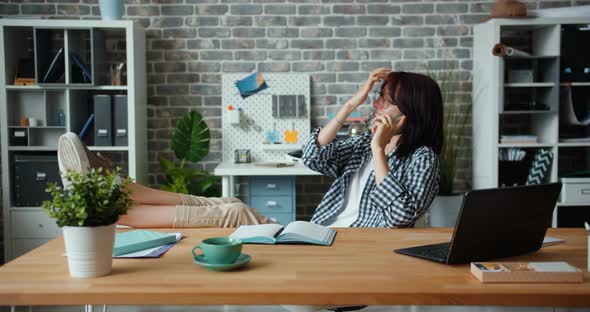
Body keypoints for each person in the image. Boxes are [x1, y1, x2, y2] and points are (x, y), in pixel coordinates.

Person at [302, 67, 443, 228]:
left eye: (387, 101)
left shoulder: (423, 159)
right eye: (379, 97)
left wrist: (378, 150)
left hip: (367, 243)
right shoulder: (363, 143)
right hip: (324, 232)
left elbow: (399, 217)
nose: (376, 104)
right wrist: (349, 105)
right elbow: (312, 157)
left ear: (412, 111)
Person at [56, 132, 273, 228]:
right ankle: (117, 193)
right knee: (233, 202)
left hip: (290, 242)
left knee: (238, 212)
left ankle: (114, 200)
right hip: (292, 233)